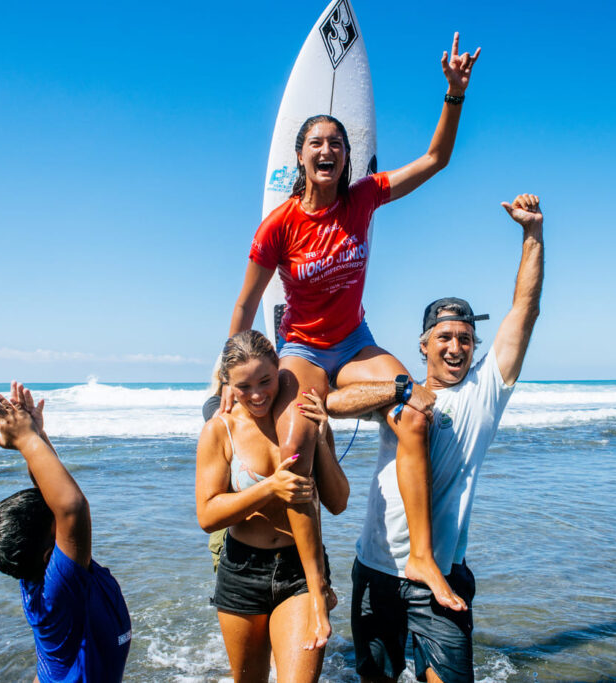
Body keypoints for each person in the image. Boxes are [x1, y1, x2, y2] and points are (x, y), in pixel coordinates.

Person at [224, 32, 482, 649]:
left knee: (417, 410)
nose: (329, 151)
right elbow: (247, 303)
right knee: (296, 442)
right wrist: (225, 376)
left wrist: (453, 94)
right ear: (300, 157)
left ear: (348, 158)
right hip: (305, 349)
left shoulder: (364, 198)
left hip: (356, 340)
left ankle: (418, 555)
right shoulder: (279, 225)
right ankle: (315, 586)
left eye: (338, 144)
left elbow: (436, 160)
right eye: (317, 143)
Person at [326, 194, 545, 683]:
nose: (455, 347)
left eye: (465, 339)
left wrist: (532, 235)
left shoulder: (484, 392)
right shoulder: (398, 389)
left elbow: (524, 312)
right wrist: (401, 389)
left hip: (442, 576)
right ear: (423, 344)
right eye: (444, 337)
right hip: (377, 567)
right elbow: (332, 405)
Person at [196, 330, 349, 683]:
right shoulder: (220, 430)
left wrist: (322, 437)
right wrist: (270, 488)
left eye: (265, 381)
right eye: (243, 386)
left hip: (298, 569)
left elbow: (338, 502)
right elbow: (207, 514)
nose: (257, 394)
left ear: (278, 369)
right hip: (241, 571)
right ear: (226, 384)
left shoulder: (302, 418)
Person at [0, 382, 132, 682]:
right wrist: (27, 442)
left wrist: (37, 435)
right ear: (48, 557)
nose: (69, 525)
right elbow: (72, 507)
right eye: (58, 521)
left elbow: (56, 495)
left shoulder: (48, 571)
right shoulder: (58, 593)